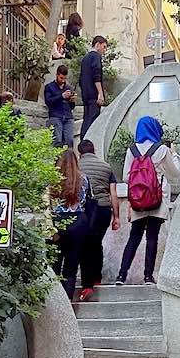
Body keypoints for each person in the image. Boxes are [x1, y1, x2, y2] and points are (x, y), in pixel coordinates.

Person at [116, 115, 180, 285]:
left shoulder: (132, 150)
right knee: (152, 236)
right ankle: (148, 276)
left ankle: (121, 276)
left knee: (134, 236)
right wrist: (174, 155)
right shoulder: (161, 149)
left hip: (138, 200)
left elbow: (125, 177)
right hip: (157, 198)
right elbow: (175, 173)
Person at [76, 139, 120, 300]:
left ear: (80, 153)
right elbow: (113, 194)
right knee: (96, 244)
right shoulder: (106, 167)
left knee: (84, 245)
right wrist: (116, 217)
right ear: (94, 150)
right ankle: (96, 278)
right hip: (103, 210)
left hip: (84, 211)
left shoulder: (77, 167)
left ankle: (87, 284)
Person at [51, 148, 90, 299]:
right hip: (78, 222)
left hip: (57, 222)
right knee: (71, 267)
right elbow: (85, 200)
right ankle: (68, 301)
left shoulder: (53, 179)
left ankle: (55, 302)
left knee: (54, 264)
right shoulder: (83, 179)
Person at [78, 35, 108, 144]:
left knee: (86, 120)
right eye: (104, 47)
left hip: (86, 95)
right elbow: (97, 76)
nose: (104, 51)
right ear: (98, 44)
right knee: (92, 122)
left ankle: (82, 144)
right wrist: (100, 93)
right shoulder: (96, 57)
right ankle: (88, 145)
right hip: (93, 96)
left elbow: (81, 79)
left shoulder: (85, 58)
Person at [43, 64, 77, 148]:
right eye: (61, 78)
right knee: (57, 141)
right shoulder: (49, 87)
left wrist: (72, 100)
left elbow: (72, 107)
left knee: (70, 141)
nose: (63, 81)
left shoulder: (68, 87)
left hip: (68, 117)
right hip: (56, 116)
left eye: (65, 78)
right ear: (57, 75)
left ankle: (69, 159)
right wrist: (62, 96)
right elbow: (48, 101)